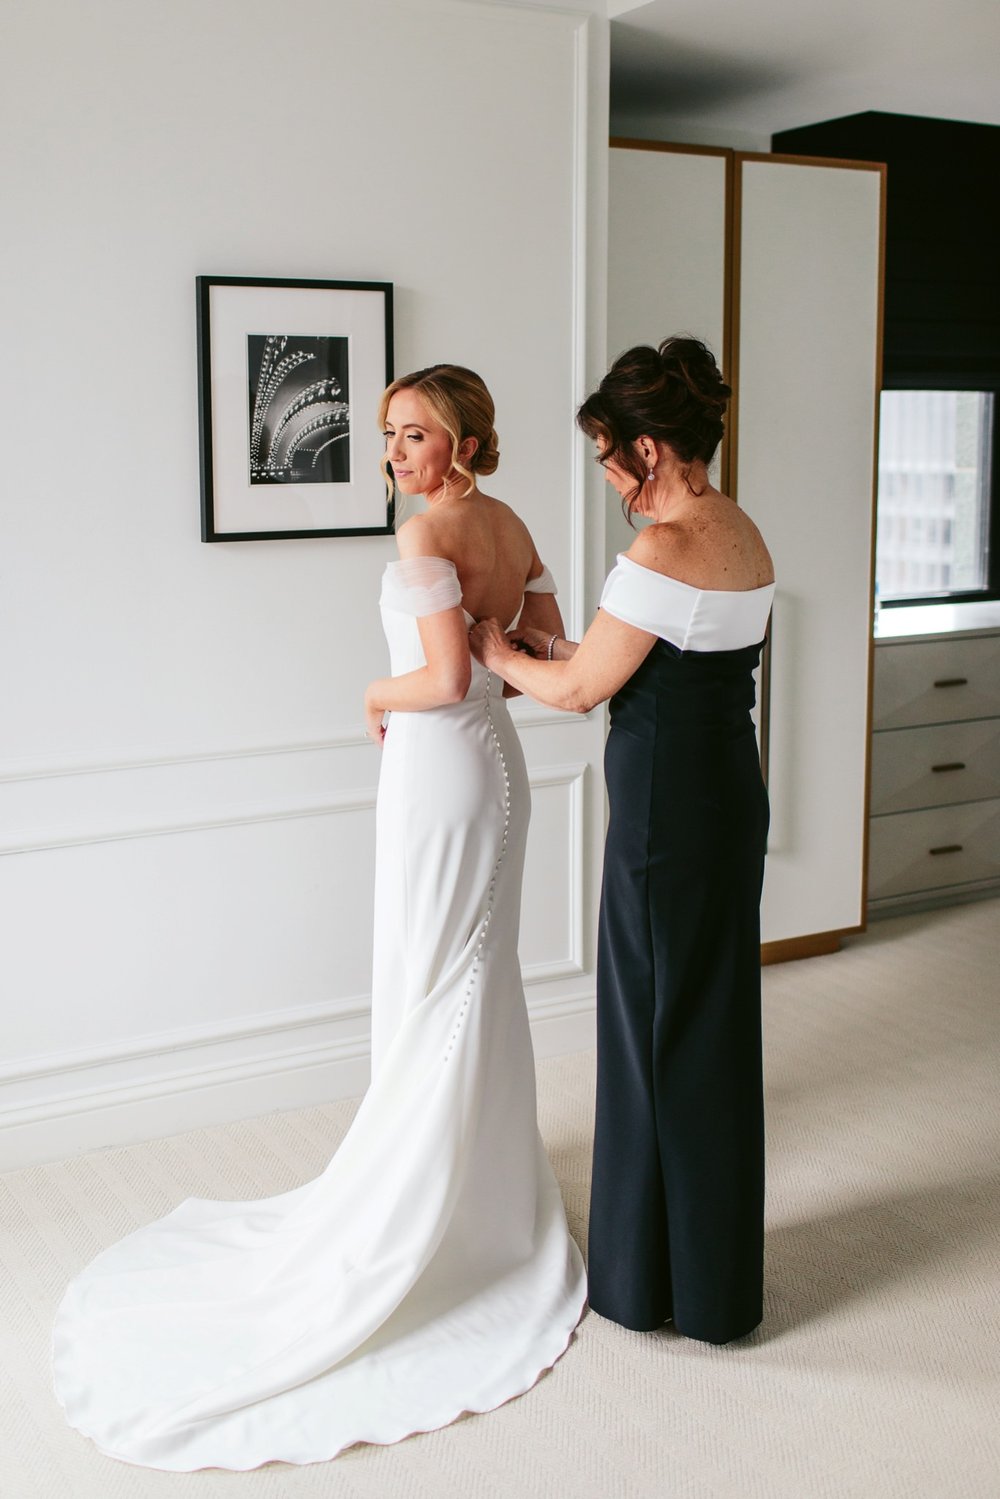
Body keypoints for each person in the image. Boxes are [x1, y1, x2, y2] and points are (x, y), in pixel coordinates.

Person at [52, 365, 586, 1470]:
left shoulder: (420, 534)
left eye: (417, 434)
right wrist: (489, 661)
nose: (396, 452)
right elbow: (538, 643)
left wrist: (368, 694)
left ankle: (431, 1197)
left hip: (441, 766)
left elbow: (436, 680)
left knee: (440, 973)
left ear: (464, 442)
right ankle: (476, 1190)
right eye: (391, 434)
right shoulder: (511, 521)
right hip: (497, 766)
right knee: (462, 976)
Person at [470, 336, 775, 1346]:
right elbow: (650, 653)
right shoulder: (739, 531)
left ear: (648, 449)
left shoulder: (659, 549)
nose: (607, 478)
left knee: (649, 1030)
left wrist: (495, 648)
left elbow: (581, 686)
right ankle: (716, 1278)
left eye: (607, 456)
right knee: (710, 1023)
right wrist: (558, 645)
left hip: (663, 817)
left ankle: (645, 1283)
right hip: (727, 793)